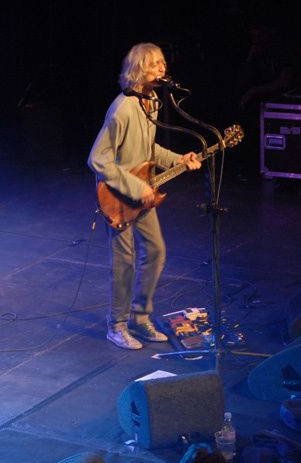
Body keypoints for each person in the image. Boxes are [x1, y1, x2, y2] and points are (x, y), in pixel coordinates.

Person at [88, 43, 201, 350]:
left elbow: (148, 150)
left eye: (163, 63)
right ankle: (117, 325)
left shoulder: (150, 102)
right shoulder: (122, 109)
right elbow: (98, 159)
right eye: (155, 64)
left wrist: (178, 159)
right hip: (119, 196)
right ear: (138, 69)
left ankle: (140, 317)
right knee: (124, 261)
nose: (162, 69)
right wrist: (137, 188)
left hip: (142, 193)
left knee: (155, 252)